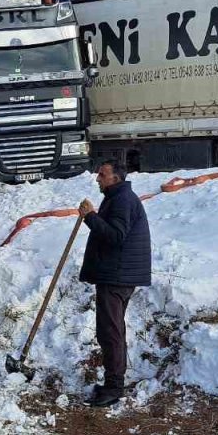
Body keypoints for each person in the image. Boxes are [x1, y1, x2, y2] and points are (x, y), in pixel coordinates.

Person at [77, 160, 152, 408]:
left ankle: (114, 387)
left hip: (118, 276)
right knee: (110, 331)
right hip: (115, 274)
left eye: (102, 174)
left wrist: (90, 217)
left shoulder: (123, 200)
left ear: (115, 178)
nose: (98, 178)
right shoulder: (117, 197)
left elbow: (116, 235)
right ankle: (112, 383)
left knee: (111, 332)